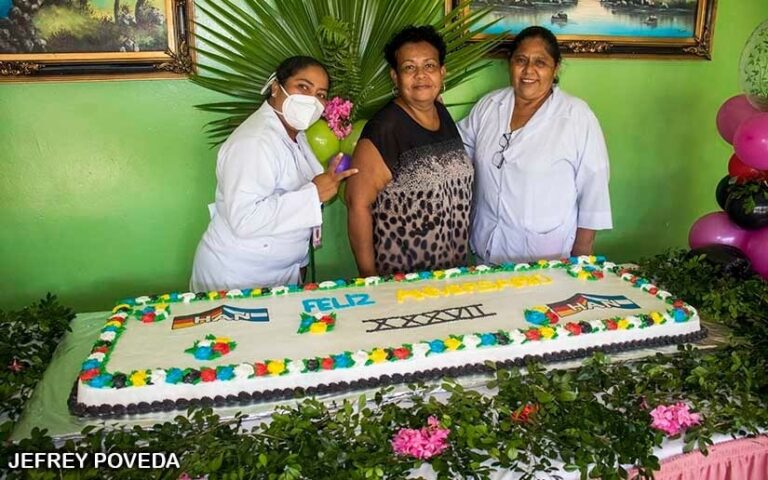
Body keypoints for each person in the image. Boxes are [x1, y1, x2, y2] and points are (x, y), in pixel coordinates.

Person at [190, 56, 358, 291]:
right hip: (237, 276)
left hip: (276, 273)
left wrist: (300, 263)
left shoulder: (295, 133)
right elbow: (245, 218)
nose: (312, 100)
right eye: (303, 87)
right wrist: (314, 195)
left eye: (320, 94)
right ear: (276, 88)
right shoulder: (255, 141)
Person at [458, 26, 612, 264]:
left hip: (546, 256)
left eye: (540, 62)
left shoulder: (576, 116)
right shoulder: (489, 105)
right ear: (510, 63)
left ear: (555, 68)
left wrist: (581, 255)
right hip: (487, 248)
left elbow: (594, 190)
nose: (529, 70)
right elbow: (457, 154)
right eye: (521, 60)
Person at [346, 25, 474, 277]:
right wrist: (369, 278)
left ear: (442, 72)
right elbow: (357, 205)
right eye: (409, 68)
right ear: (395, 77)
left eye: (429, 66)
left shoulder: (441, 113)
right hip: (403, 281)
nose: (421, 75)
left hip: (450, 274)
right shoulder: (385, 129)